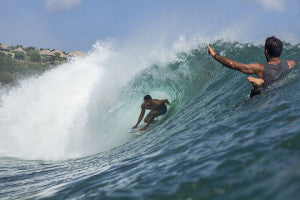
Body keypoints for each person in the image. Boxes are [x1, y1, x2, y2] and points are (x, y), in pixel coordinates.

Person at [206, 36, 296, 97]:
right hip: (279, 89)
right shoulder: (291, 63)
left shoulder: (259, 68)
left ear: (266, 52)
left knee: (250, 99)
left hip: (265, 92)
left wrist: (215, 56)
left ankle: (256, 86)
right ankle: (257, 85)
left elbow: (235, 65)